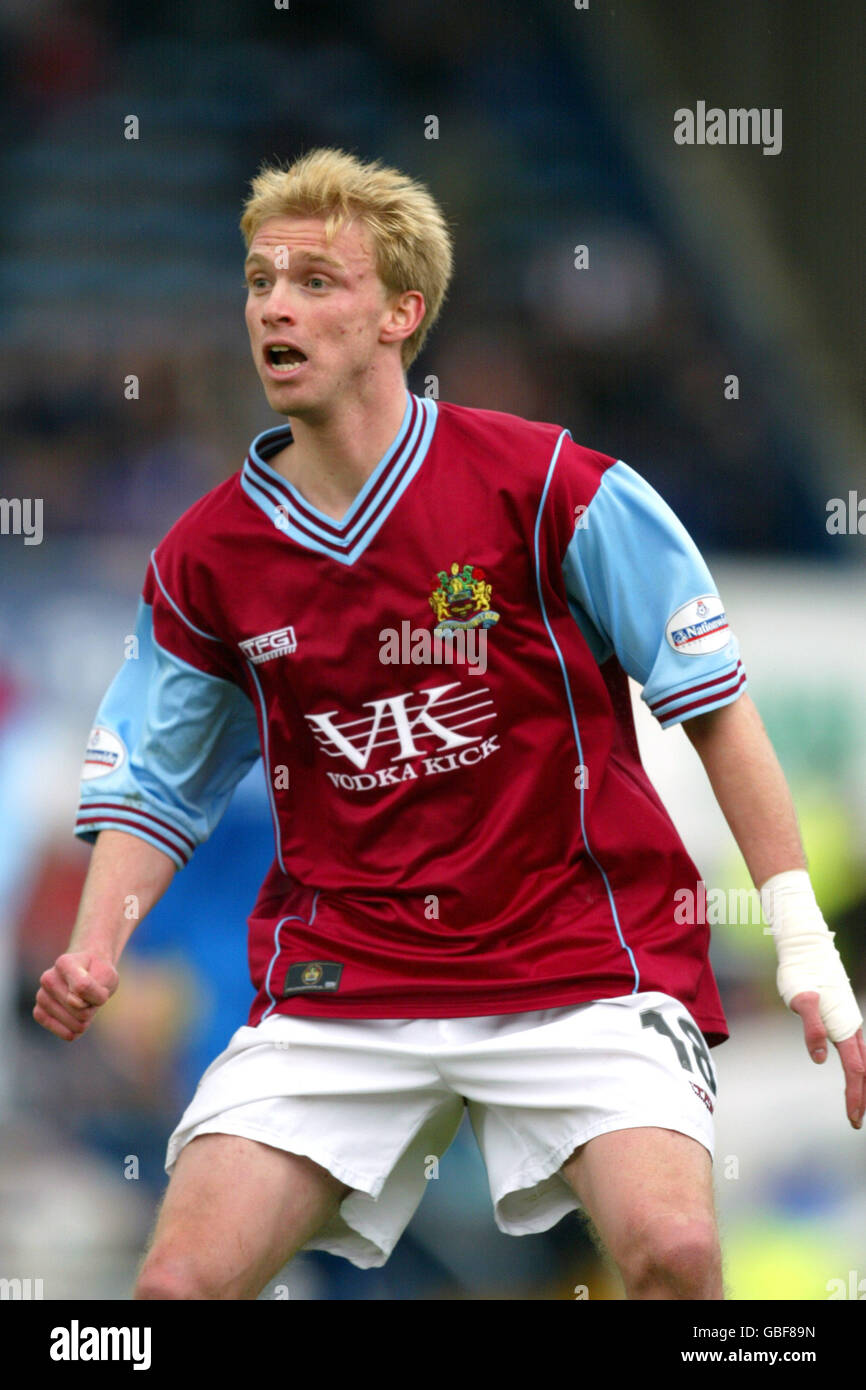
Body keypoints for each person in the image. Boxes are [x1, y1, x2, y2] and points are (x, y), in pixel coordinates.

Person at [34, 148, 865, 1301]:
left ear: (399, 314)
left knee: (674, 1256)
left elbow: (717, 711)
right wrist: (97, 943)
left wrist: (803, 943)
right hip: (345, 984)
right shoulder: (204, 559)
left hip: (577, 963)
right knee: (176, 1290)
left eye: (317, 280)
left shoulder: (554, 489)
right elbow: (156, 786)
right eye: (260, 279)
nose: (275, 303)